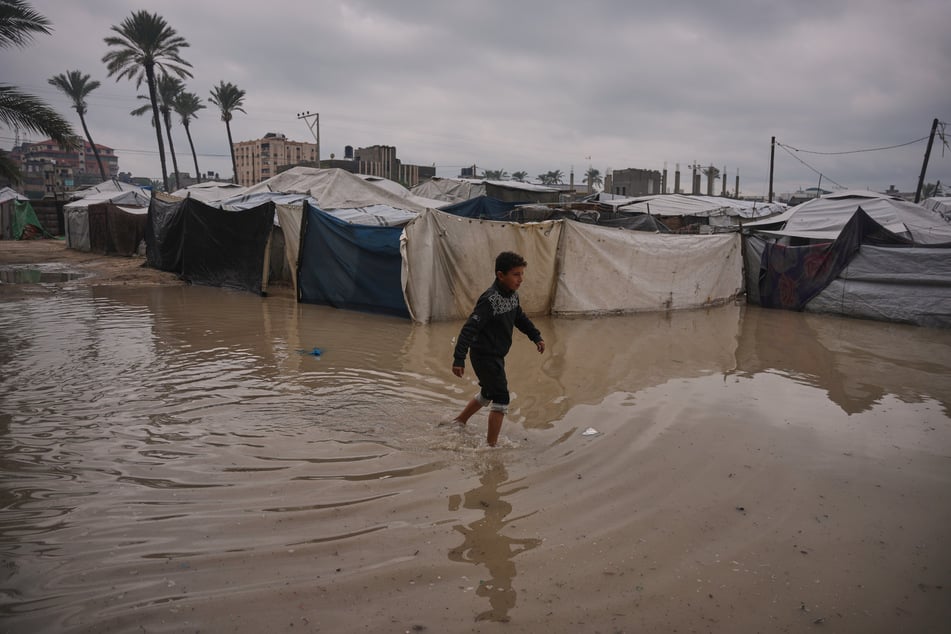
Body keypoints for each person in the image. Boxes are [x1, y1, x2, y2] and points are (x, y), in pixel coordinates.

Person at [450, 251, 545, 446]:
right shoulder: (490, 299)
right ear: (501, 275)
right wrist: (459, 358)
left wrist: (535, 336)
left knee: (488, 393)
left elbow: (520, 318)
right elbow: (469, 328)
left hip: (496, 355)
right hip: (484, 356)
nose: (521, 279)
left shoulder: (512, 296)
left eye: (521, 274)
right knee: (501, 397)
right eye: (516, 274)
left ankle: (459, 421)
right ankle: (491, 447)